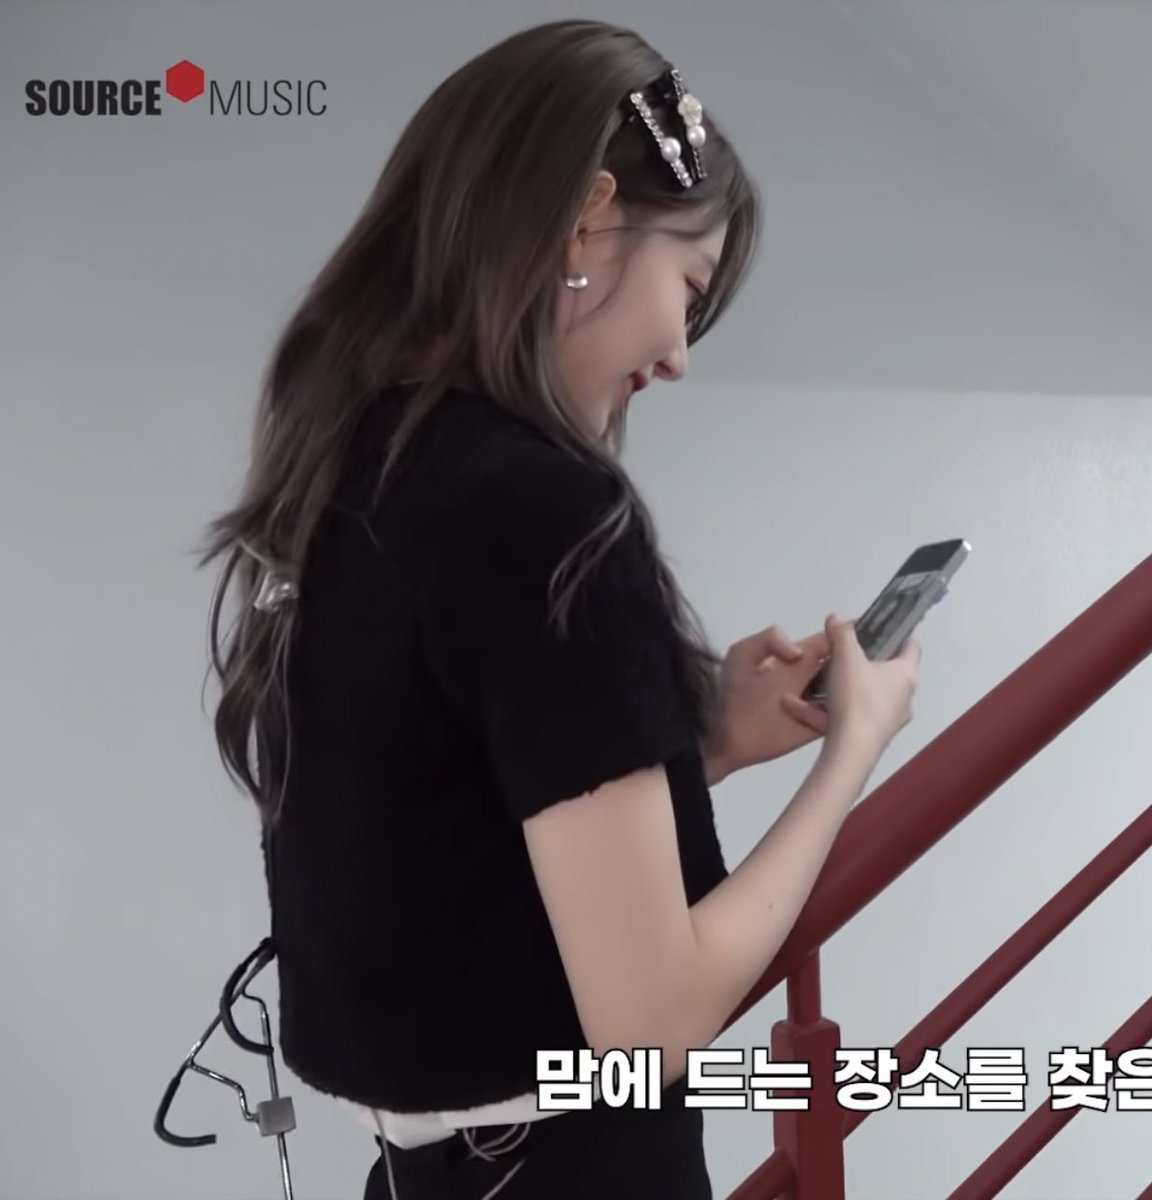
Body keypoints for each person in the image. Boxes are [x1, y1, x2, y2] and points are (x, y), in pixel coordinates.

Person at [198, 18, 920, 1200]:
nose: (679, 357)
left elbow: (435, 815)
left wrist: (693, 743)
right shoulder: (545, 510)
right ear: (589, 218)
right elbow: (653, 1026)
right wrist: (854, 752)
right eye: (689, 288)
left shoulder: (356, 462)